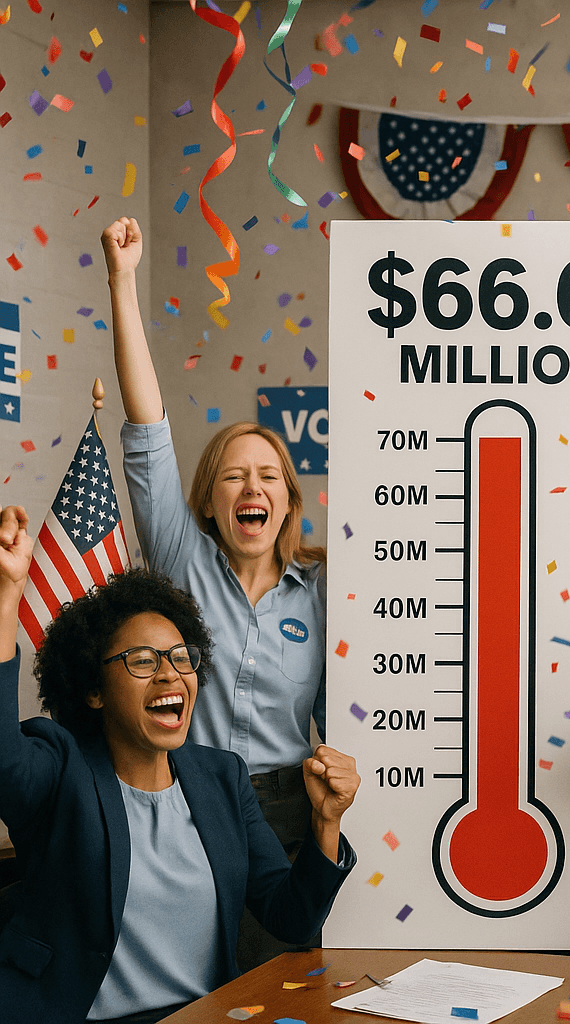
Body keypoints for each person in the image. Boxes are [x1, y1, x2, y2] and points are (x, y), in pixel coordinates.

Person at [0, 505, 359, 1024]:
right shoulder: (60, 765)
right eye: (142, 661)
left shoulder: (222, 776)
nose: (170, 675)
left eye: (181, 657)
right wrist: (7, 597)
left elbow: (291, 917)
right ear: (94, 691)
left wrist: (326, 822)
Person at [101, 216, 329, 969]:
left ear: (289, 502)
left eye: (268, 476)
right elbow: (146, 424)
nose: (251, 487)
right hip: (192, 802)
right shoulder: (181, 561)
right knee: (197, 985)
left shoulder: (325, 592)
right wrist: (122, 280)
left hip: (295, 814)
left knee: (281, 988)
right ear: (208, 500)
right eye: (234, 475)